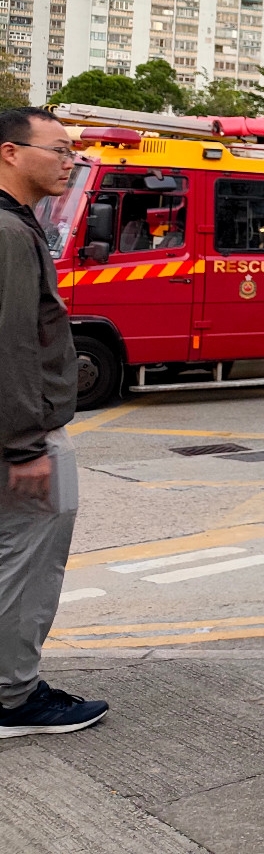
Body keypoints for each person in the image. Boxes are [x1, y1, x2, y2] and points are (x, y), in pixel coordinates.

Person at [0, 107, 109, 738]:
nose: (70, 161)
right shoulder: (10, 233)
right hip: (24, 433)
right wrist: (24, 447)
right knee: (28, 564)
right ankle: (13, 698)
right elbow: (11, 344)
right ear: (11, 152)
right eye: (59, 149)